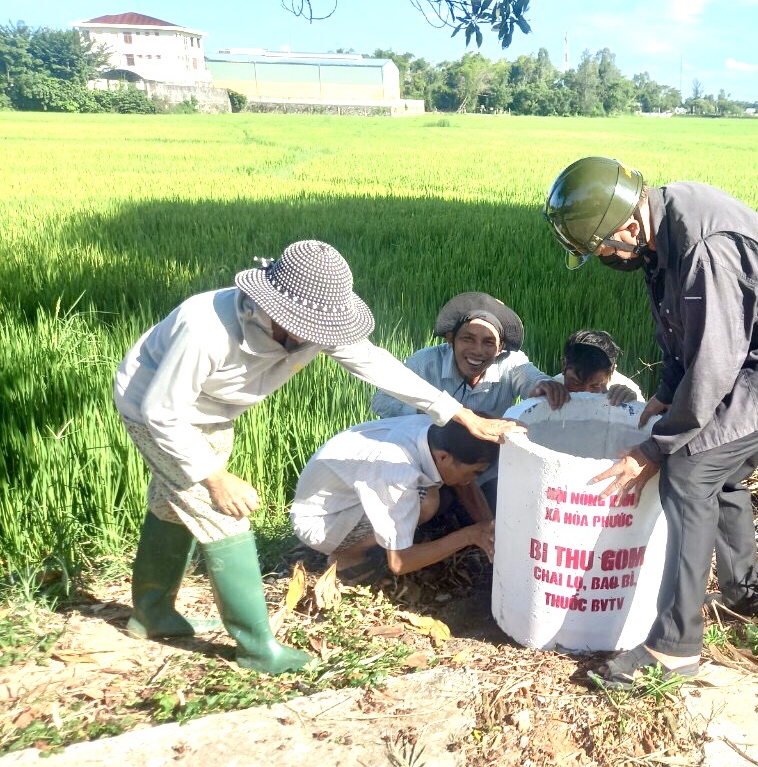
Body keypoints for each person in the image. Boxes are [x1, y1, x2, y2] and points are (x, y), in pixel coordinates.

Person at [114, 240, 520, 675]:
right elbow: (162, 412)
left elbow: (372, 362)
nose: (318, 340)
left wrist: (458, 413)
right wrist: (214, 477)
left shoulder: (314, 326)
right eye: (308, 329)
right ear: (278, 310)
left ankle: (151, 613)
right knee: (221, 513)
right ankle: (256, 648)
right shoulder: (206, 328)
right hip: (154, 412)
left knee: (171, 505)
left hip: (213, 414)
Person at [542, 157, 758, 688]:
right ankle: (745, 597)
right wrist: (664, 393)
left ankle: (675, 647)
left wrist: (657, 447)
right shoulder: (663, 231)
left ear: (629, 225)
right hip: (745, 352)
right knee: (723, 475)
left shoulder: (706, 246)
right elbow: (680, 326)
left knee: (690, 471)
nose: (606, 258)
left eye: (603, 247)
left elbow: (713, 363)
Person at [371, 292, 568, 512]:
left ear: (501, 347)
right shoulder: (425, 362)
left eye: (488, 342)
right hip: (438, 465)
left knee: (513, 505)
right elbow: (381, 401)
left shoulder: (511, 364)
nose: (477, 350)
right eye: (467, 338)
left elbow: (532, 378)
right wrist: (435, 417)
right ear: (450, 339)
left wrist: (544, 386)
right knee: (429, 507)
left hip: (483, 467)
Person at [291, 416, 497, 582]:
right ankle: (346, 557)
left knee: (430, 494)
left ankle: (393, 539)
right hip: (321, 523)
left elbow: (465, 484)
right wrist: (470, 535)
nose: (473, 480)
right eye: (475, 472)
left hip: (345, 496)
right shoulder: (398, 472)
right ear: (443, 457)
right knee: (427, 501)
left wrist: (488, 527)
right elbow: (399, 563)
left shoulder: (435, 429)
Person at [553, 329, 643, 405]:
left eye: (595, 386)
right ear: (563, 366)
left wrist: (632, 404)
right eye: (576, 383)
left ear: (612, 373)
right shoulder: (553, 388)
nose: (585, 394)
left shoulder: (626, 393)